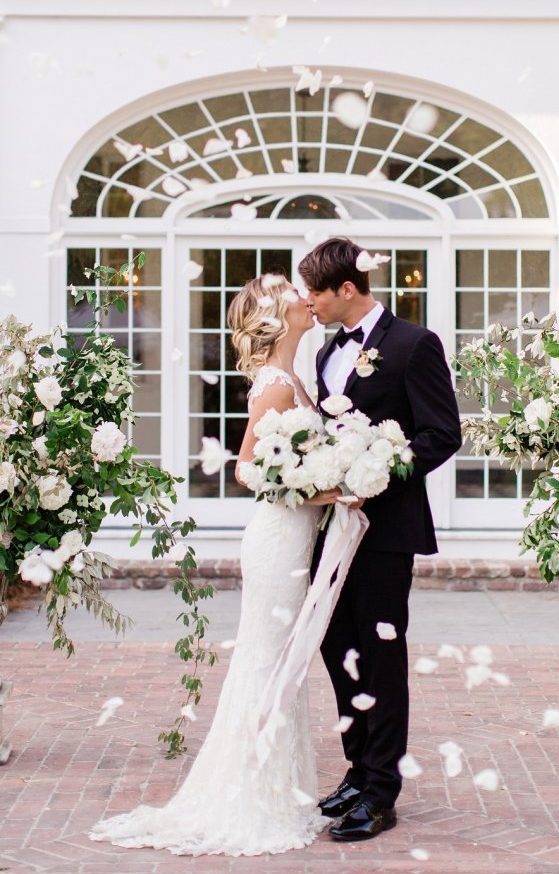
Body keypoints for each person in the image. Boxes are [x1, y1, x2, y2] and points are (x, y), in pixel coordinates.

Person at [90, 275, 338, 857]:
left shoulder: (295, 377)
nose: (304, 294)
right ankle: (251, 796)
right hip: (278, 540)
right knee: (266, 660)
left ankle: (280, 787)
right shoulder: (275, 386)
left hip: (295, 539)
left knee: (282, 664)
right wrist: (319, 489)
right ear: (273, 315)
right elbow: (246, 470)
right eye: (288, 290)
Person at [299, 237, 461, 843]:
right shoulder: (322, 353)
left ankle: (381, 791)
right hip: (329, 527)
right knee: (335, 646)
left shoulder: (414, 344)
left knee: (380, 655)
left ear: (347, 289)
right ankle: (356, 765)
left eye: (314, 290)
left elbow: (441, 434)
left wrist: (378, 474)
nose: (306, 301)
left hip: (386, 529)